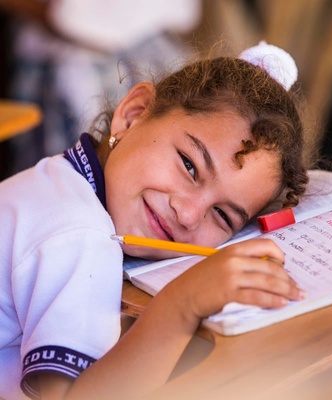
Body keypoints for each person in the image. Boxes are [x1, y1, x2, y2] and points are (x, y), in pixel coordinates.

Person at [0, 41, 316, 400]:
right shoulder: (79, 235)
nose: (188, 213)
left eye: (223, 215)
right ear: (134, 113)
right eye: (189, 165)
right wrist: (182, 304)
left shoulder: (59, 180)